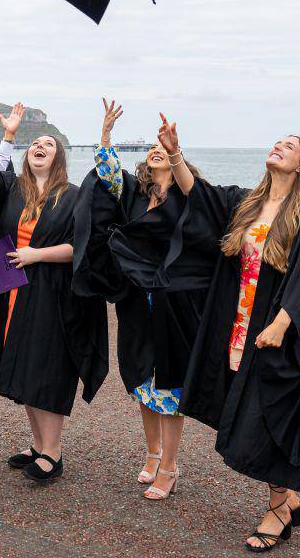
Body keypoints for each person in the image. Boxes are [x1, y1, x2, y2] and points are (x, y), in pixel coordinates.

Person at [158, 115, 300, 553]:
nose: (278, 146)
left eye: (289, 146)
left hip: (277, 333)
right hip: (238, 328)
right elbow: (199, 194)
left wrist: (281, 321)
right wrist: (176, 153)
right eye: (277, 141)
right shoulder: (246, 204)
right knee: (246, 409)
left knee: (268, 414)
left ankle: (276, 509)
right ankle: (287, 497)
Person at [0, 104, 107, 483]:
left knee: (47, 369)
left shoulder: (74, 196)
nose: (40, 146)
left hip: (52, 292)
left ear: (59, 157)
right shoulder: (13, 190)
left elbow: (82, 248)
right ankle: (38, 443)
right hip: (11, 288)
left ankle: (54, 452)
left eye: (49, 143)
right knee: (21, 367)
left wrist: (36, 255)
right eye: (36, 143)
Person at [74, 99, 208, 500]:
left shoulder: (185, 196)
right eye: (151, 149)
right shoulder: (134, 195)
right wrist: (105, 134)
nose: (154, 149)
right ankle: (152, 453)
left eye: (160, 148)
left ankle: (169, 466)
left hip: (172, 300)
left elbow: (205, 215)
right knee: (141, 381)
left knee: (168, 383)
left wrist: (174, 149)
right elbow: (108, 175)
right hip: (135, 297)